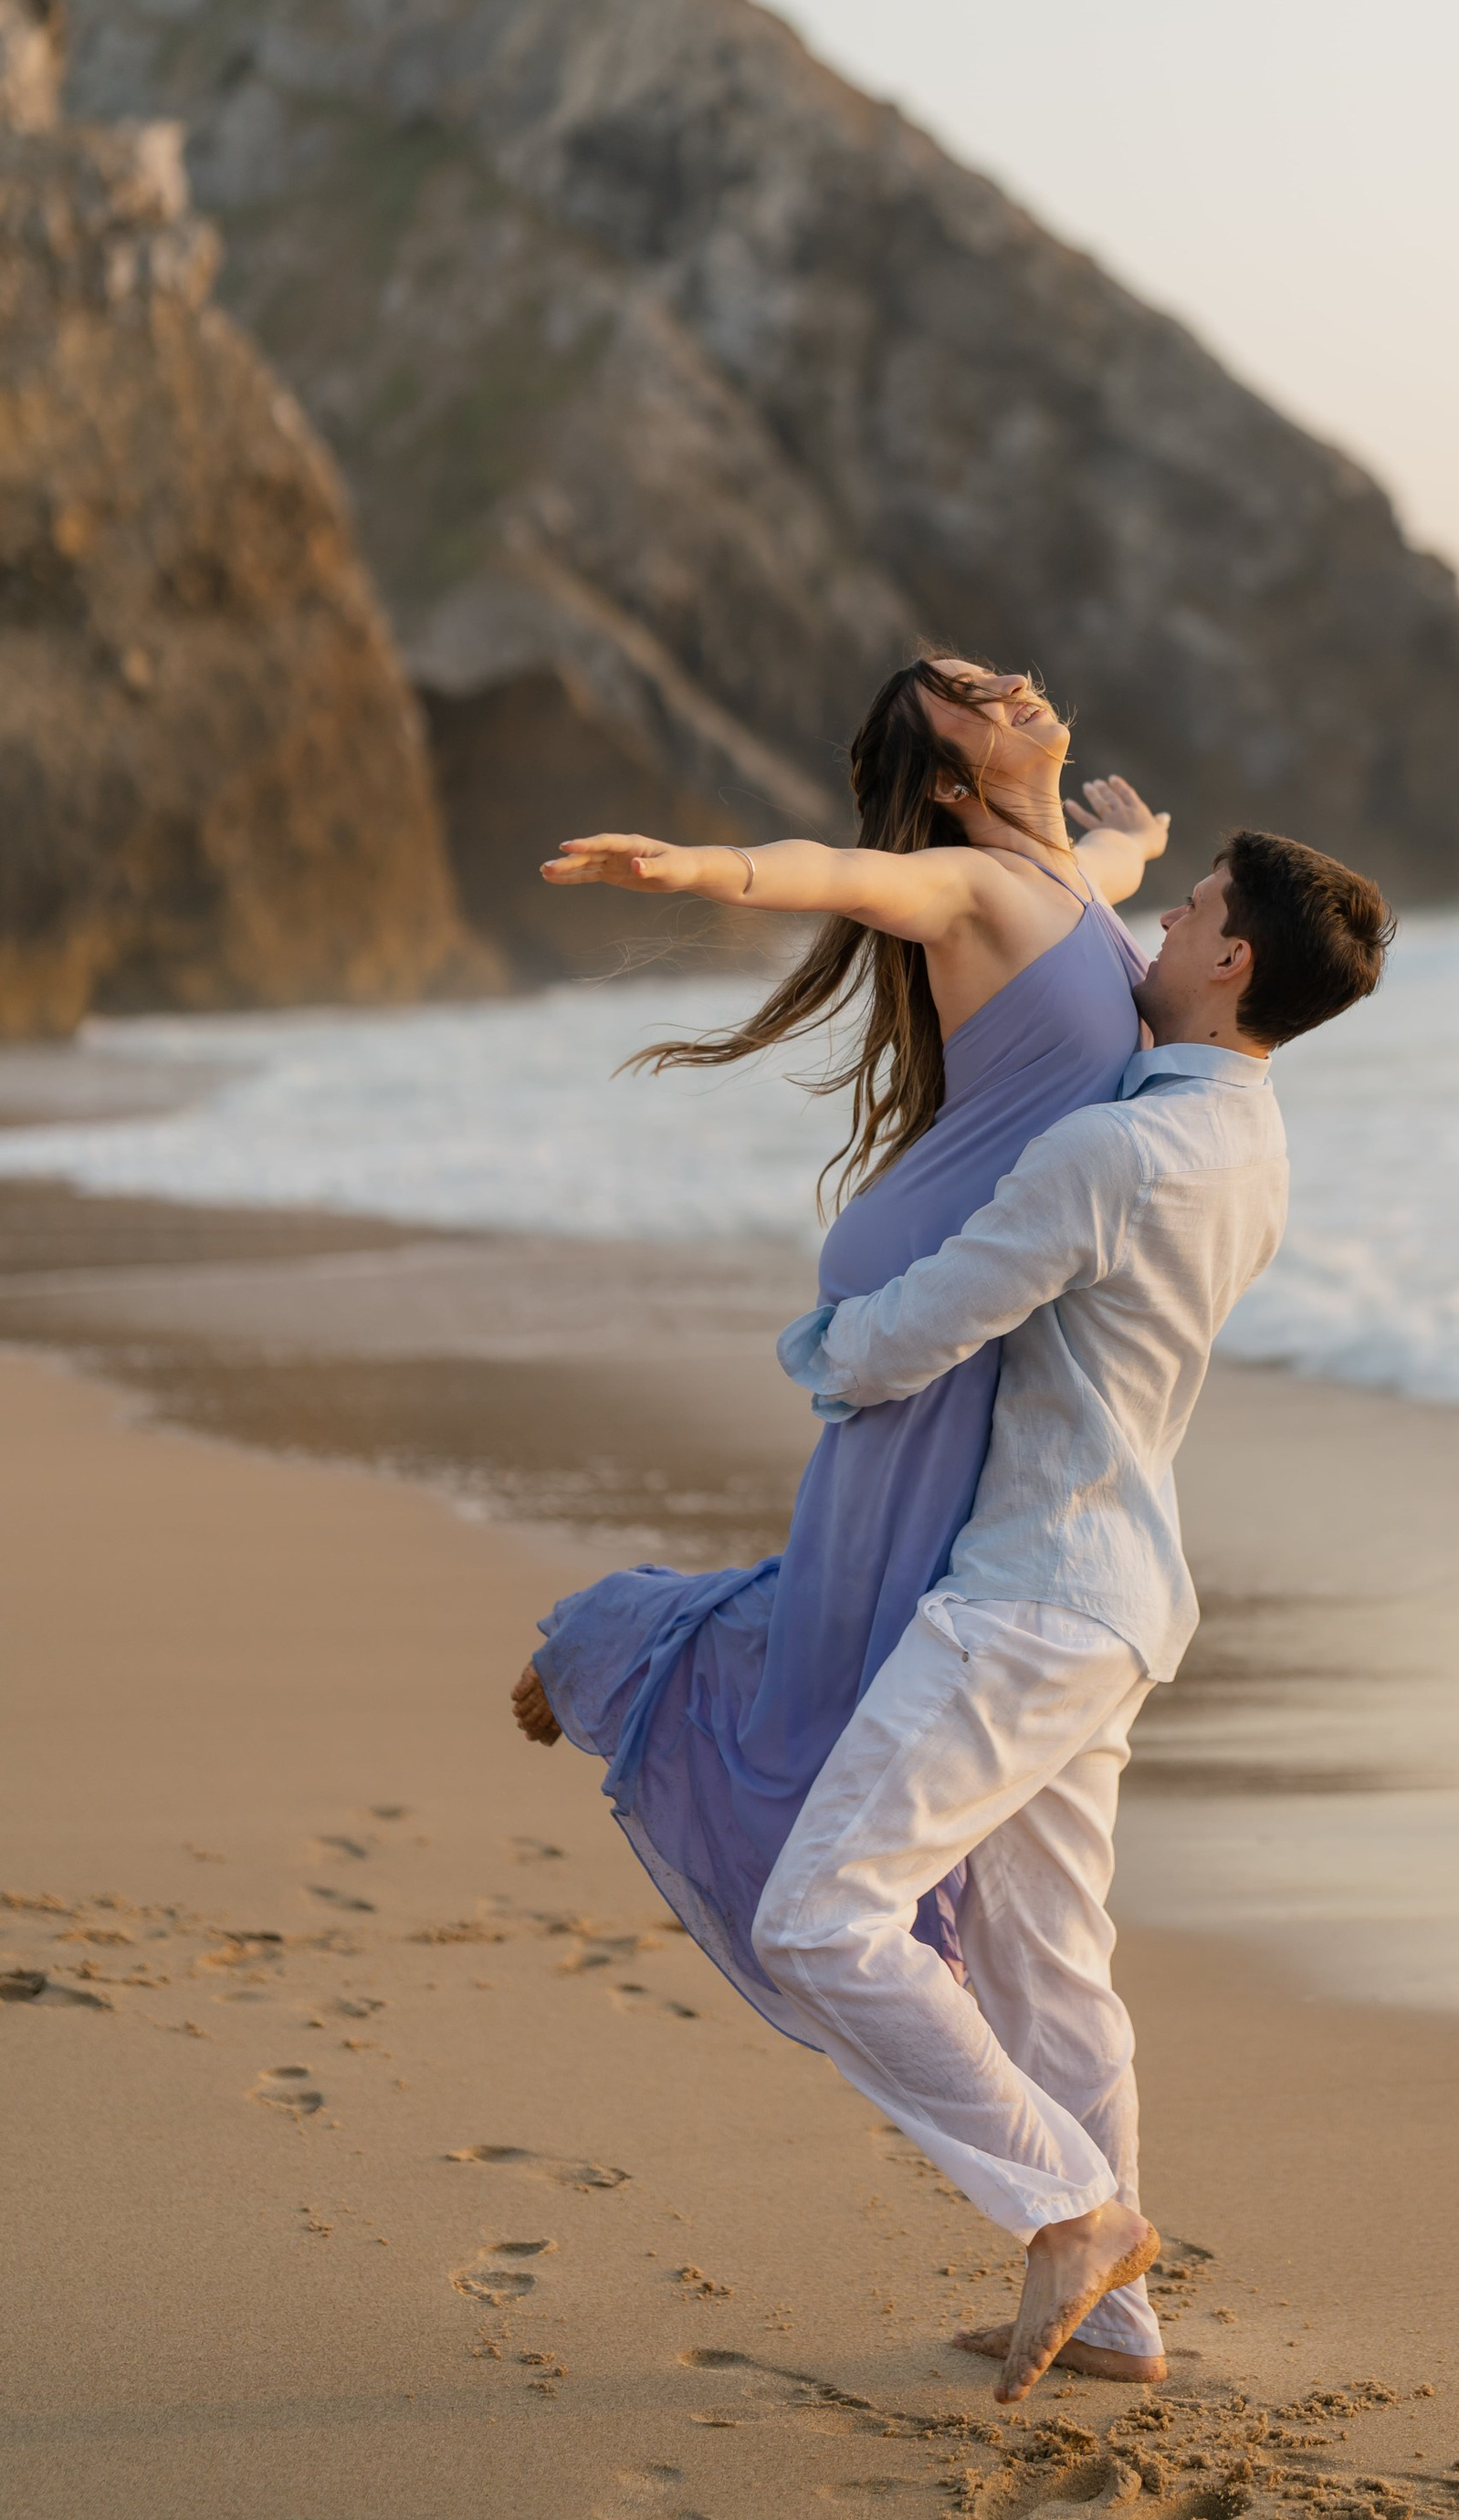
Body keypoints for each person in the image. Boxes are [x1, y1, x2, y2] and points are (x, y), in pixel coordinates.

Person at [758, 830, 1392, 2401]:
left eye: (1186, 913)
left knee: (821, 1916)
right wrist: (1080, 851)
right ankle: (1115, 2322)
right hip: (1119, 1600)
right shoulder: (1249, 1142)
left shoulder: (1124, 1155)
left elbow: (944, 1308)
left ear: (1233, 960)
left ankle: (1077, 2211)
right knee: (1052, 1966)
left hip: (1033, 1601)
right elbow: (1090, 969)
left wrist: (823, 1347)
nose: (1157, 931)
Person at [510, 654, 1168, 2030]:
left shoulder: (1068, 884)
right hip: (930, 1275)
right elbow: (835, 872)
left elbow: (1104, 857)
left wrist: (1143, 840)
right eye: (975, 697)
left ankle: (638, 1668)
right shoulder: (969, 888)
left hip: (973, 1277)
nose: (1015, 684)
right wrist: (694, 869)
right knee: (861, 1616)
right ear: (948, 782)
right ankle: (604, 1645)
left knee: (872, 1597)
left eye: (997, 670)